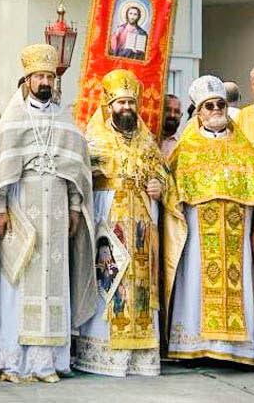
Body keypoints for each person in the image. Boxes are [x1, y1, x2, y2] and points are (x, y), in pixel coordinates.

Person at [0, 43, 98, 383]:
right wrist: (0, 209)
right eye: (40, 76)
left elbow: (78, 166)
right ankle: (12, 361)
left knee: (54, 282)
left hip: (58, 206)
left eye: (50, 76)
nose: (45, 81)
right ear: (27, 80)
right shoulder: (14, 117)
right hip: (21, 203)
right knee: (17, 280)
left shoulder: (64, 118)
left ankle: (47, 362)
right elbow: (2, 166)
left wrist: (76, 207)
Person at [164, 76, 254, 366]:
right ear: (199, 112)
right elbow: (171, 193)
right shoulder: (187, 148)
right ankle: (196, 347)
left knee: (238, 286)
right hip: (196, 234)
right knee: (194, 286)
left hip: (237, 234)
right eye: (209, 105)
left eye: (220, 104)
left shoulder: (244, 149)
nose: (216, 109)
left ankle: (235, 351)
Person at [74, 69, 176, 376]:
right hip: (108, 220)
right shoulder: (92, 139)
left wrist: (160, 185)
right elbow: (79, 177)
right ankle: (104, 357)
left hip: (143, 224)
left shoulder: (147, 142)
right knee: (109, 278)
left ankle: (140, 358)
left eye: (131, 103)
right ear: (108, 105)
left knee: (142, 285)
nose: (127, 109)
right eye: (120, 103)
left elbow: (164, 176)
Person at [159, 92, 183, 159]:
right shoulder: (150, 140)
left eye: (177, 111)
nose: (172, 115)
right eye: (168, 110)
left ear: (181, 116)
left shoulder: (184, 142)